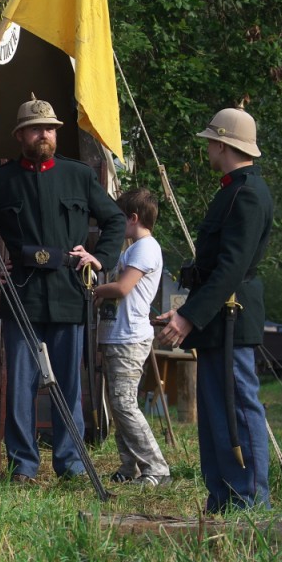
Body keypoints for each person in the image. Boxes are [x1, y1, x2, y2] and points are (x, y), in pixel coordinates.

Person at [0, 94, 125, 484]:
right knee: (21, 384)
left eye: (50, 129)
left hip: (69, 292)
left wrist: (99, 258)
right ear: (20, 135)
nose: (45, 135)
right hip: (22, 295)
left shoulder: (79, 175)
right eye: (36, 129)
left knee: (68, 383)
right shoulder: (0, 181)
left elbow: (115, 220)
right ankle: (24, 465)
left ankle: (69, 463)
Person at [156, 106, 273, 513]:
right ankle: (223, 497)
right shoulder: (233, 190)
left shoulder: (249, 194)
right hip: (218, 316)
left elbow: (231, 267)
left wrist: (188, 315)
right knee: (215, 414)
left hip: (231, 316)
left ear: (223, 144)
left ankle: (252, 503)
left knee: (238, 407)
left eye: (210, 141)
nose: (207, 146)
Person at [93, 188, 171, 487]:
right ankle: (131, 467)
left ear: (132, 218)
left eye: (118, 219)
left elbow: (123, 288)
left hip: (129, 337)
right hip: (118, 336)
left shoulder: (145, 248)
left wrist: (97, 290)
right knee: (118, 404)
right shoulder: (133, 249)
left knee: (124, 403)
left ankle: (156, 468)